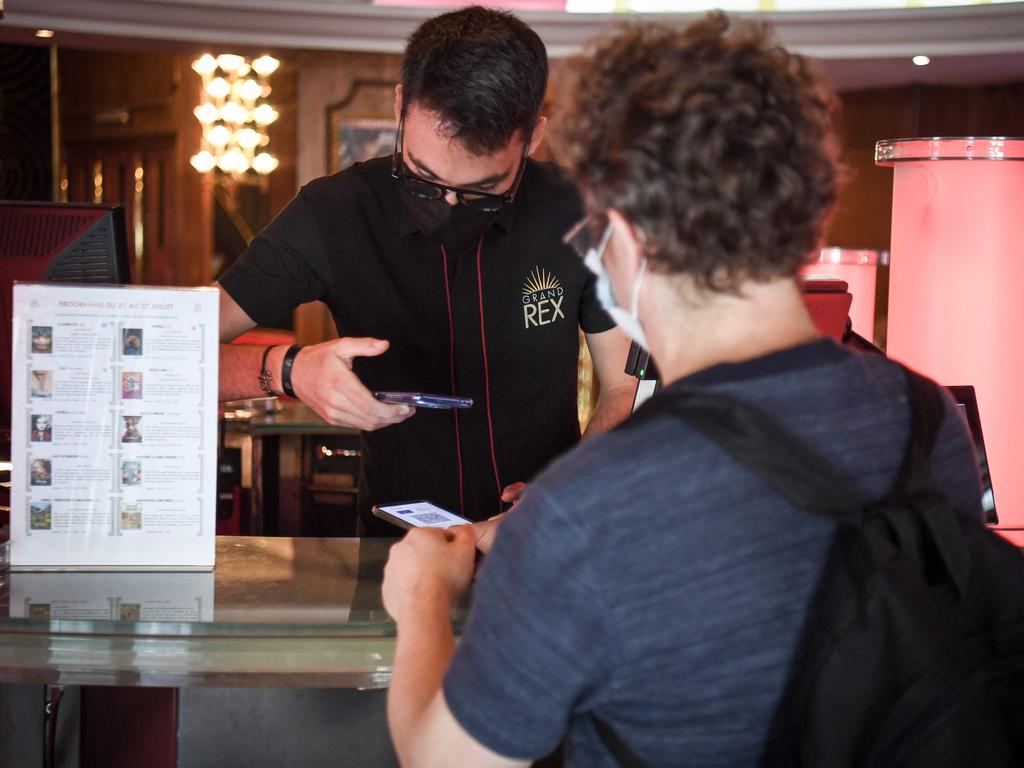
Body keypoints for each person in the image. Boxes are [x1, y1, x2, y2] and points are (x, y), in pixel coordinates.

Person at [381, 13, 985, 767]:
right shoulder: (929, 419)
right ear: (812, 209)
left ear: (625, 238)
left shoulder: (586, 506)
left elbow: (443, 760)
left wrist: (421, 598)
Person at [216, 6, 636, 534]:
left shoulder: (578, 212)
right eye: (422, 177)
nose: (449, 206)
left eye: (483, 191)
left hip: (543, 536)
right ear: (400, 105)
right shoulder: (334, 213)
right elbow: (161, 348)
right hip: (392, 550)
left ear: (532, 138)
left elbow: (627, 387)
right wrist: (286, 369)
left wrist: (573, 485)